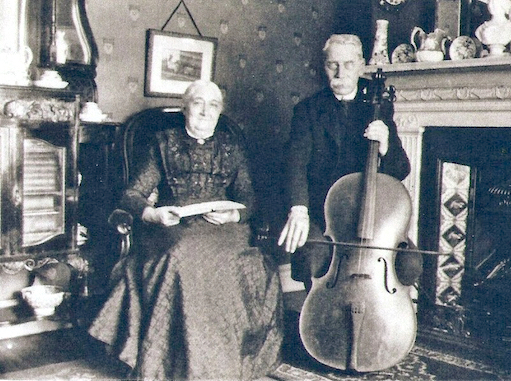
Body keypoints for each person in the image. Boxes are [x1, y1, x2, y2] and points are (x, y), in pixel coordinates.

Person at [88, 80, 283, 380]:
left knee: (240, 260)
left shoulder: (232, 148)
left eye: (213, 105)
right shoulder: (163, 143)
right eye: (198, 103)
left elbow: (249, 199)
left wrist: (233, 214)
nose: (205, 111)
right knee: (182, 256)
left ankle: (222, 365)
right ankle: (182, 364)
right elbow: (132, 194)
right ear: (184, 108)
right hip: (174, 225)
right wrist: (153, 214)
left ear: (220, 112)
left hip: (224, 229)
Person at [277, 34, 422, 291]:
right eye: (332, 64)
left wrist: (386, 144)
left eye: (348, 64)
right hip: (323, 213)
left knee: (410, 263)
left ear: (361, 65)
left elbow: (401, 169)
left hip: (370, 213)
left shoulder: (378, 104)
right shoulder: (307, 110)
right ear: (324, 66)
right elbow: (295, 164)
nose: (340, 72)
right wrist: (299, 209)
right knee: (313, 256)